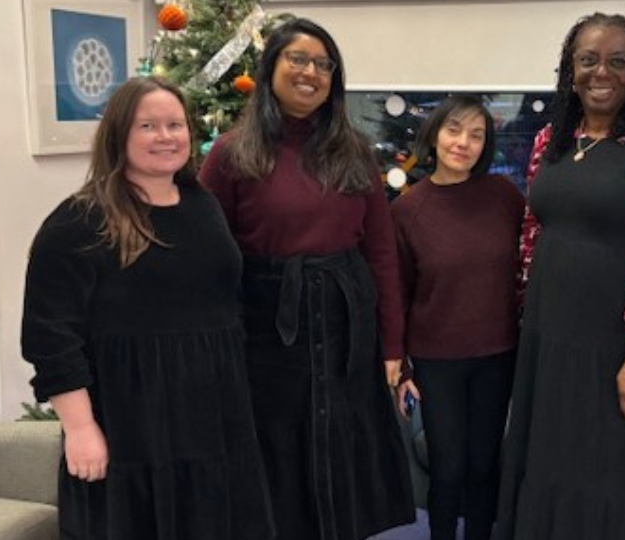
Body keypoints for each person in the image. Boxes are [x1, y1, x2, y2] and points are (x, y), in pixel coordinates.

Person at [22, 77, 276, 540]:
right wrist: (80, 429)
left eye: (175, 125)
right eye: (148, 126)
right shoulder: (79, 222)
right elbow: (50, 337)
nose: (166, 136)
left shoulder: (203, 205)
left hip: (216, 417)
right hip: (131, 423)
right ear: (119, 134)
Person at [197, 18, 415, 540]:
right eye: (297, 58)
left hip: (345, 321)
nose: (310, 72)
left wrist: (392, 345)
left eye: (323, 64)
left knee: (341, 441)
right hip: (263, 327)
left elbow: (381, 253)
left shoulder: (354, 151)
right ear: (270, 66)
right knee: (276, 447)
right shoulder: (230, 153)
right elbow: (208, 258)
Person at [495, 13, 625, 540]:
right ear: (571, 70)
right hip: (548, 337)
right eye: (588, 60)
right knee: (551, 464)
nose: (600, 72)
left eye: (617, 61)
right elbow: (534, 232)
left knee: (612, 473)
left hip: (616, 348)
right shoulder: (551, 140)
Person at [391, 95, 524, 540]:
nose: (463, 142)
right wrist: (403, 366)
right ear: (434, 135)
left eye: (476, 135)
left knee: (485, 467)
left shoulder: (505, 197)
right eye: (454, 130)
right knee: (447, 469)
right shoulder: (408, 210)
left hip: (498, 354)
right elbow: (397, 291)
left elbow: (528, 266)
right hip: (437, 360)